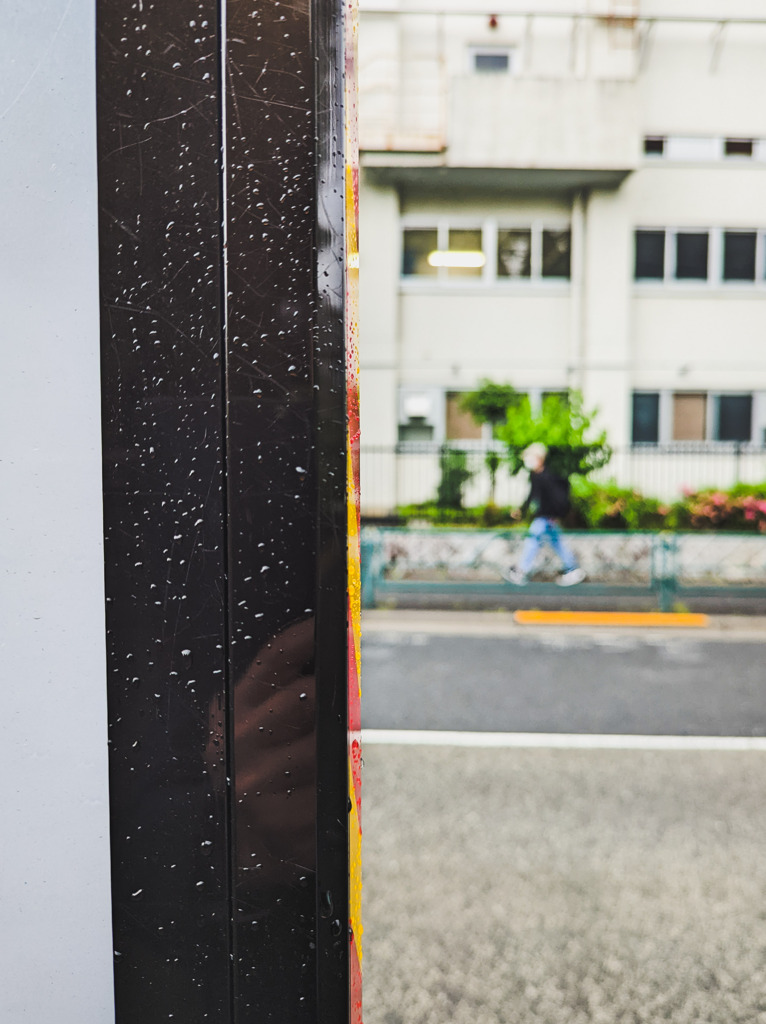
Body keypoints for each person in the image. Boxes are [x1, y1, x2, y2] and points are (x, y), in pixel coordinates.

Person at [503, 443, 586, 586]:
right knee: (556, 543)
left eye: (530, 457)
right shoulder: (537, 476)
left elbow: (553, 498)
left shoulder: (546, 477)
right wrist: (522, 510)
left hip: (546, 517)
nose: (527, 460)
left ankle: (521, 571)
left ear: (539, 458)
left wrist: (552, 514)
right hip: (547, 518)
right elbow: (532, 496)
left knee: (533, 541)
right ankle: (572, 568)